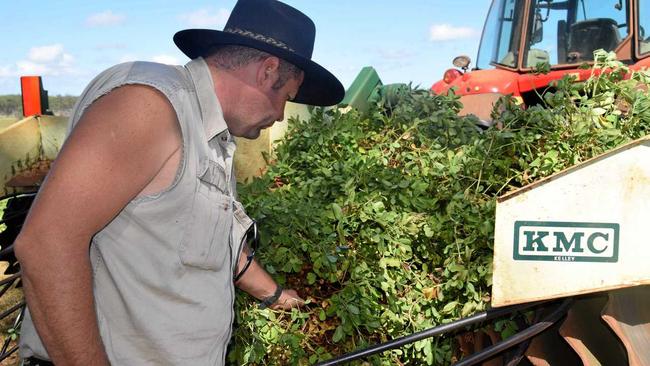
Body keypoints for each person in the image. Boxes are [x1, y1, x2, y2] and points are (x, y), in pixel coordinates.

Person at [14, 0, 344, 364]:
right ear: (267, 72)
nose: (281, 114)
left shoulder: (212, 137)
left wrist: (276, 295)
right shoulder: (151, 107)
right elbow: (46, 244)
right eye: (286, 97)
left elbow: (213, 239)